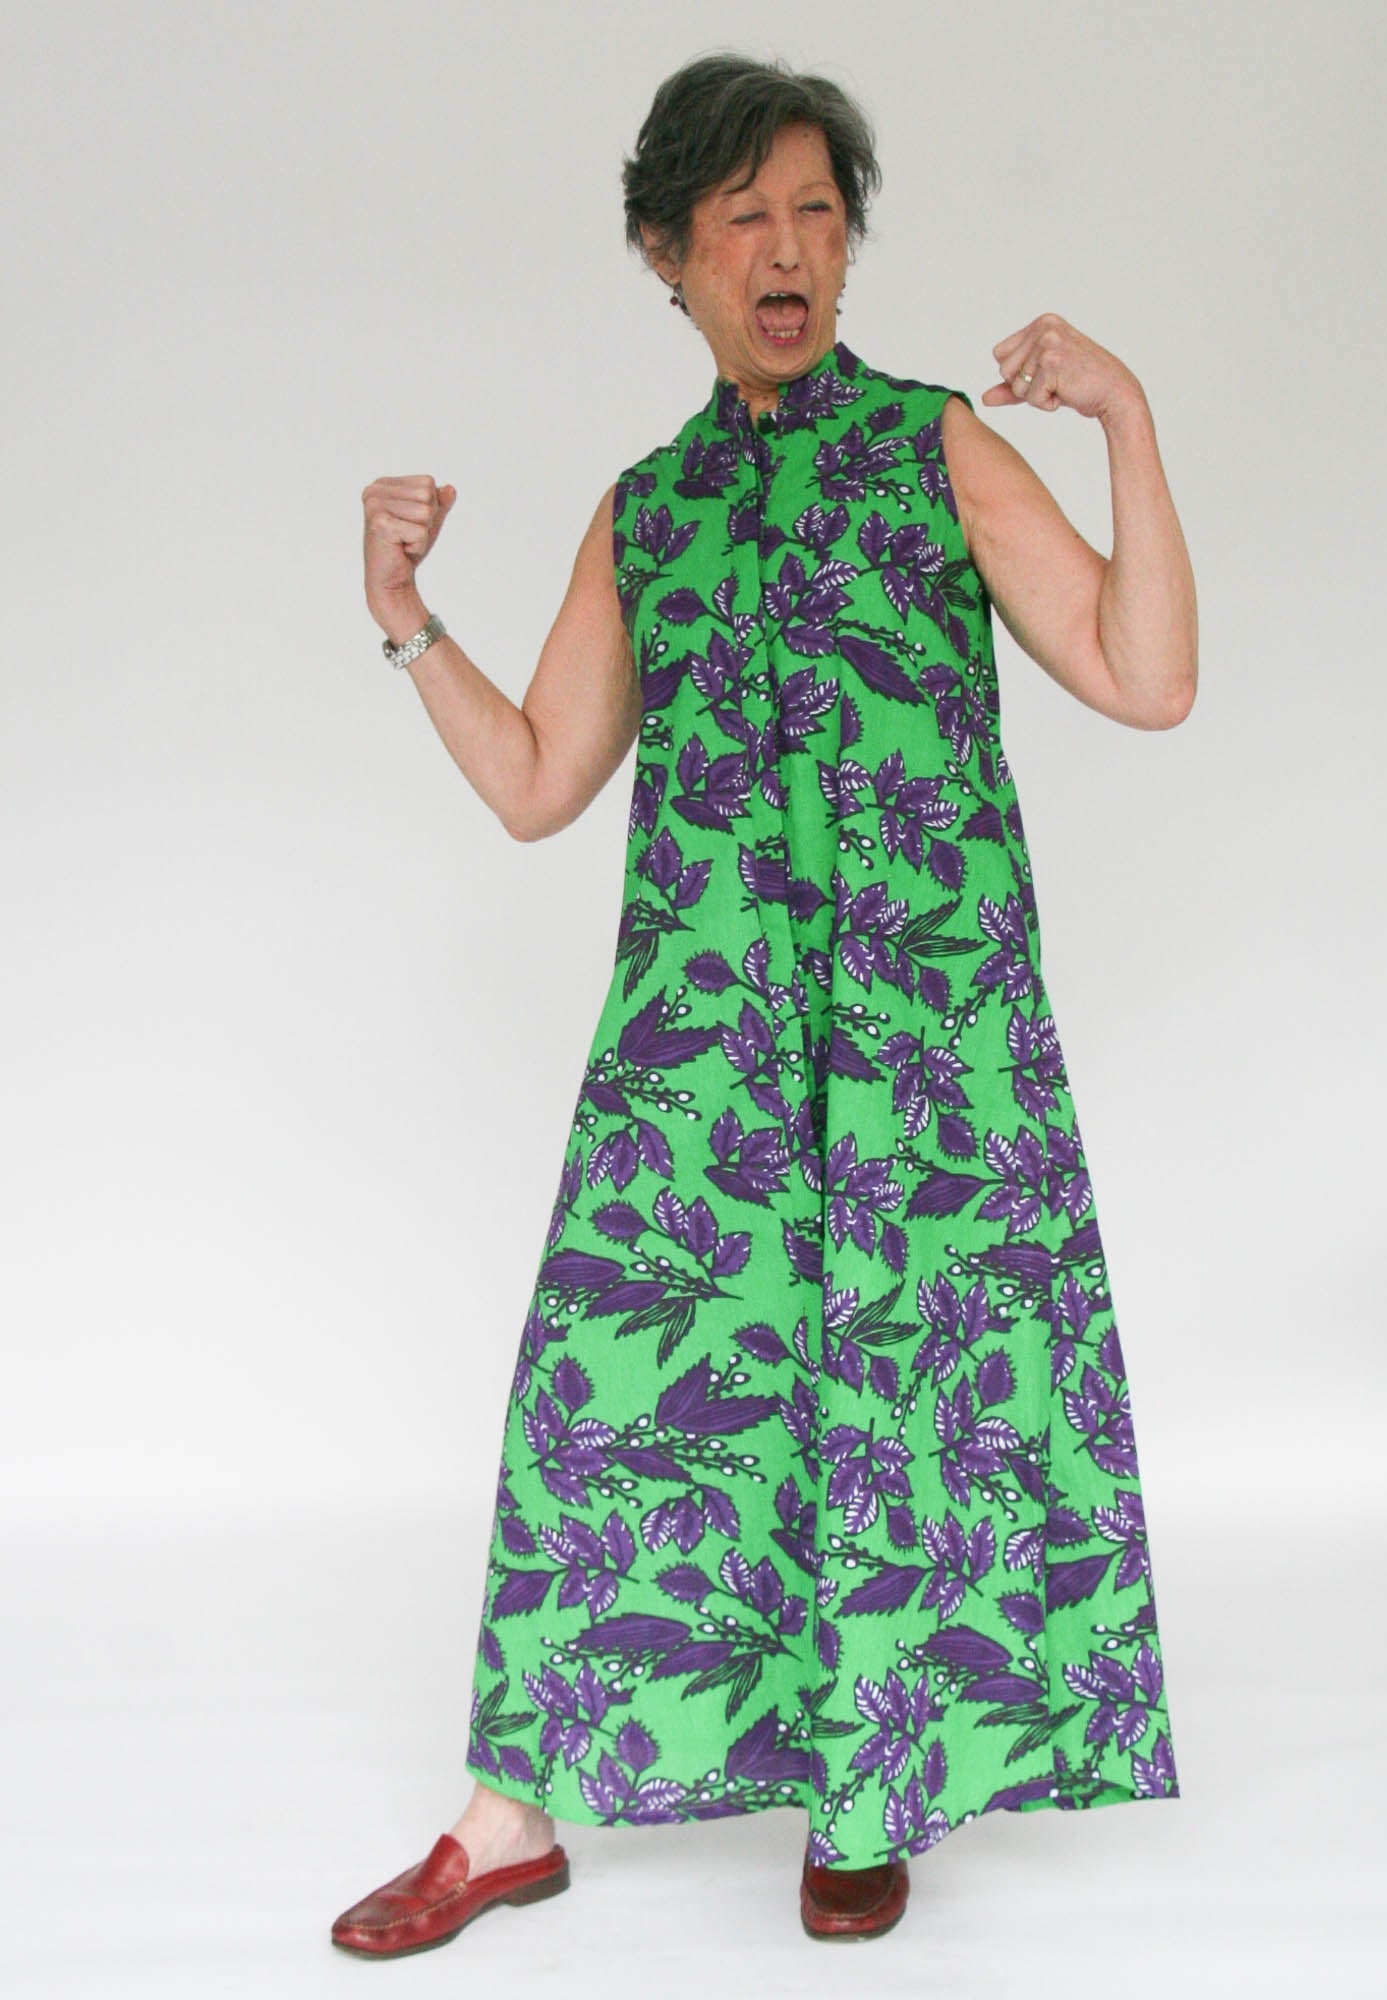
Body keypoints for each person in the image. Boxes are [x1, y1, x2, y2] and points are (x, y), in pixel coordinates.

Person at [332, 50, 1194, 1957]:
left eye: (816, 212)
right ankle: (505, 1820)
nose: (788, 250)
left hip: (921, 1041)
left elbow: (1144, 678)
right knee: (605, 1390)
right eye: (743, 219)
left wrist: (1122, 418)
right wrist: (406, 616)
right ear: (668, 254)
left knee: (895, 1399)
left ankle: (862, 1788)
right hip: (703, 1045)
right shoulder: (648, 511)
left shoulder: (932, 445)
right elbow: (539, 780)